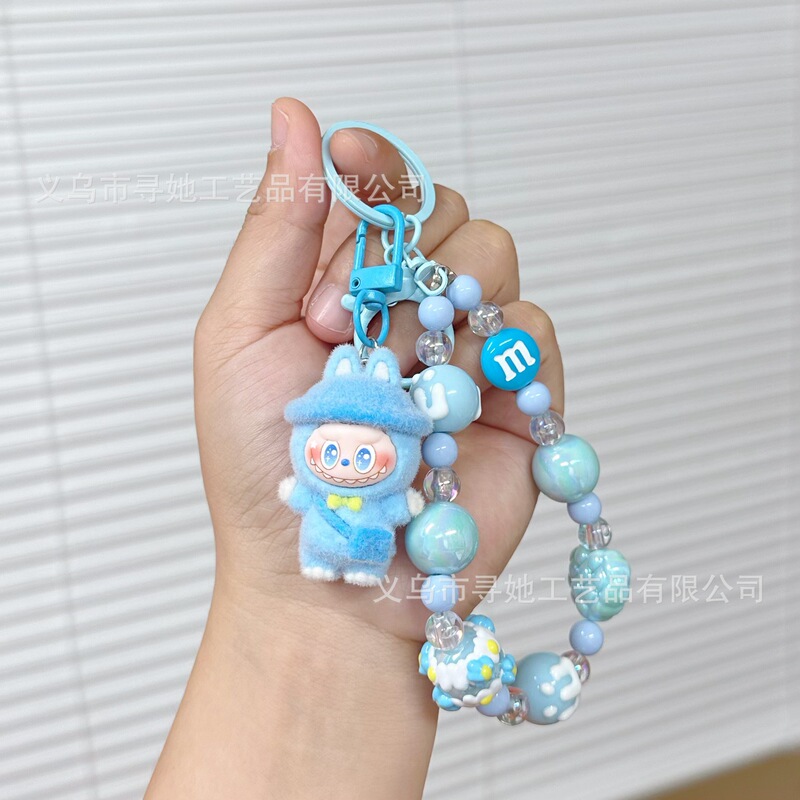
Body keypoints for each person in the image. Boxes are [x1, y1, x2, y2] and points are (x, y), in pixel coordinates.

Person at [145, 97, 563, 800]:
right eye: (334, 453)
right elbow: (299, 491)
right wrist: (302, 609)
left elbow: (398, 503)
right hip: (329, 550)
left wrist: (351, 638)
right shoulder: (319, 471)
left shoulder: (402, 478)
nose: (342, 463)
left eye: (361, 456)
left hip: (378, 558)